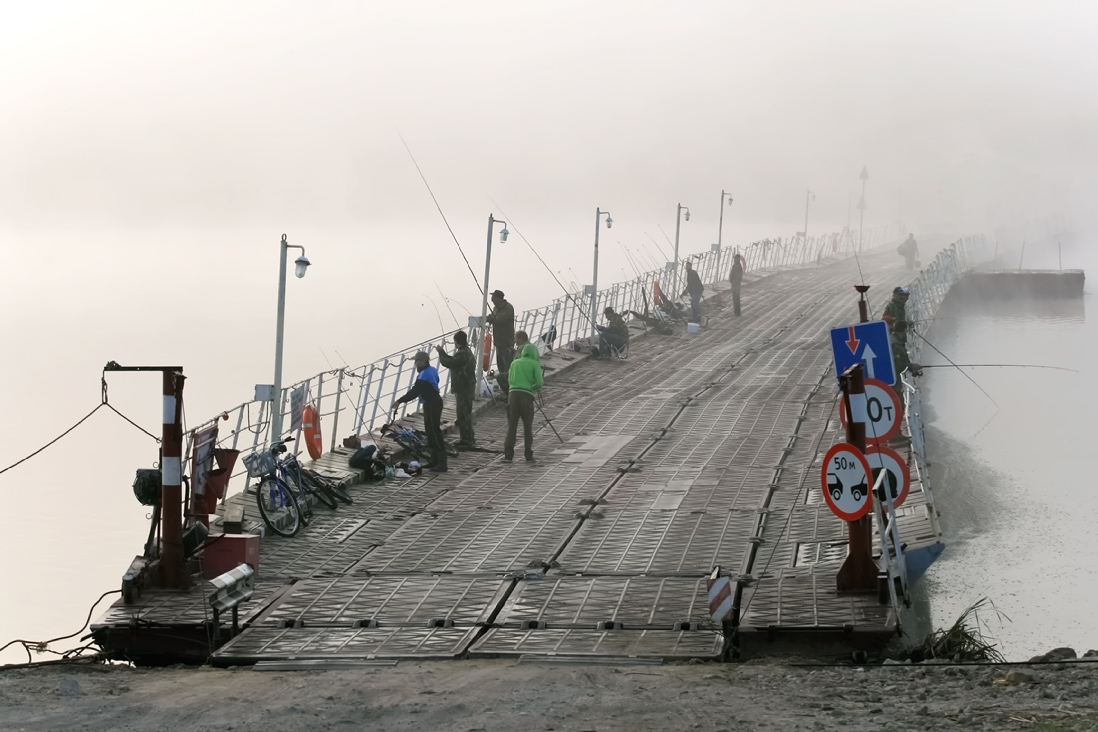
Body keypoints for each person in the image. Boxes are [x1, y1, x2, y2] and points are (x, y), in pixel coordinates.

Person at [390, 351, 448, 472]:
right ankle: (434, 461)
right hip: (433, 402)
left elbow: (414, 392)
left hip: (432, 404)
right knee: (430, 432)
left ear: (424, 361)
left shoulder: (423, 376)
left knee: (434, 432)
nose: (416, 363)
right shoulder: (432, 370)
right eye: (415, 361)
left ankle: (442, 463)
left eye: (418, 361)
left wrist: (399, 401)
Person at [503, 331, 543, 463]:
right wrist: (532, 388)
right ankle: (528, 453)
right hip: (526, 396)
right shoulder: (534, 364)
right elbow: (539, 382)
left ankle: (508, 453)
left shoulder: (515, 363)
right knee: (527, 425)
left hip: (513, 394)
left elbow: (509, 379)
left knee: (512, 425)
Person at [435, 331, 476, 448]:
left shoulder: (462, 353)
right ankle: (469, 436)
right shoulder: (466, 352)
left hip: (463, 387)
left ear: (456, 341)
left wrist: (441, 352)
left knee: (463, 414)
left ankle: (467, 440)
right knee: (466, 412)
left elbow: (449, 362)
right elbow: (454, 361)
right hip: (468, 386)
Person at [485, 290, 515, 396]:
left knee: (508, 367)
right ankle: (506, 391)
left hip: (507, 342)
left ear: (498, 298)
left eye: (493, 297)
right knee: (501, 366)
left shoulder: (508, 308)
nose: (492, 299)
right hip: (498, 342)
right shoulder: (495, 308)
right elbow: (493, 317)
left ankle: (510, 392)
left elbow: (499, 319)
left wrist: (488, 318)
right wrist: (489, 318)